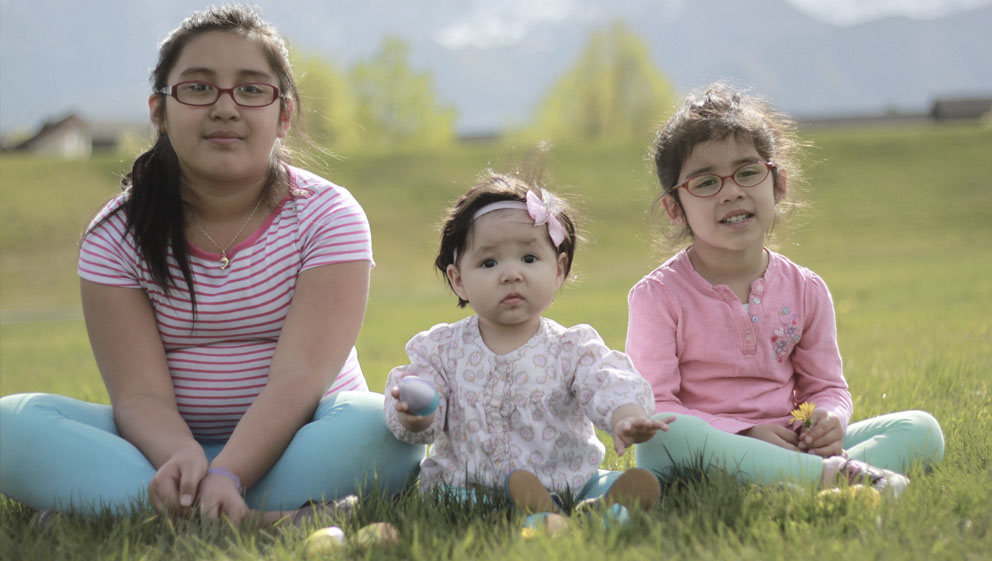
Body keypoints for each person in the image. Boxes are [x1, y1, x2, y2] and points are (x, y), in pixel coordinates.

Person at [0, 4, 423, 525]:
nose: (226, 108)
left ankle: (127, 508)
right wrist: (181, 455)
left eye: (251, 89)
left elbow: (299, 379)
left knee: (382, 433)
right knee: (9, 427)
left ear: (284, 115)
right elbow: (139, 394)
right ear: (159, 110)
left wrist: (231, 471)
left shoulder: (328, 215)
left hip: (305, 433)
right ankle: (262, 517)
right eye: (199, 88)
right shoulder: (116, 233)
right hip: (162, 449)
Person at [627, 83, 944, 497]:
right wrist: (745, 432)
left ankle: (795, 482)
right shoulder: (658, 296)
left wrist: (830, 419)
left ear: (778, 184)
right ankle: (835, 479)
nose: (732, 191)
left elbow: (826, 386)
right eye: (706, 183)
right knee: (666, 435)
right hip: (704, 446)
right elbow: (658, 406)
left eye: (748, 171)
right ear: (674, 208)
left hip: (793, 443)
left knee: (921, 429)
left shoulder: (805, 289)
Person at [383, 171, 675, 523]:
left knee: (599, 483)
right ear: (458, 280)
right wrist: (417, 415)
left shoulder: (571, 347)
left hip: (567, 480)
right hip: (471, 486)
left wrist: (625, 417)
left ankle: (587, 505)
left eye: (529, 259)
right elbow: (422, 407)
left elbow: (607, 380)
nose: (511, 274)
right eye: (489, 263)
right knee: (454, 502)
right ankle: (560, 515)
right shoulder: (441, 350)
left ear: (559, 270)